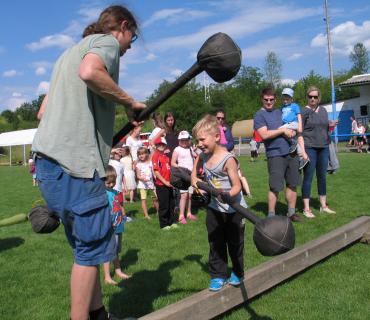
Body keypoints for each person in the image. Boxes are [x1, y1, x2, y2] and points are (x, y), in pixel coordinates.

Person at [32, 6, 146, 320]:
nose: (129, 46)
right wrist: (129, 101)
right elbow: (90, 72)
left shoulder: (67, 54)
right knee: (92, 246)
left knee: (89, 249)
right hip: (74, 167)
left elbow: (43, 113)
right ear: (122, 26)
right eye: (131, 37)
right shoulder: (105, 43)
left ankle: (98, 315)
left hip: (48, 165)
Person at [191, 116, 247, 292]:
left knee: (235, 243)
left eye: (202, 139)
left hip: (234, 209)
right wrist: (194, 178)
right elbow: (196, 166)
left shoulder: (228, 159)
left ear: (216, 137)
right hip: (215, 208)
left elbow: (237, 185)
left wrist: (227, 194)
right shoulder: (203, 155)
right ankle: (218, 275)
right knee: (215, 243)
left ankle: (238, 272)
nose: (199, 144)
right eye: (197, 140)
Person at [253, 87, 304, 222]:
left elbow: (291, 125)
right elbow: (264, 134)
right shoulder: (259, 115)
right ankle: (271, 216)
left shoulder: (281, 110)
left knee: (292, 183)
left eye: (271, 99)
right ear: (262, 99)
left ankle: (291, 213)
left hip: (291, 152)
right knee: (275, 186)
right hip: (275, 153)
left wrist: (292, 131)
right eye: (266, 100)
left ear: (275, 99)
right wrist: (283, 131)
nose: (269, 102)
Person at [301, 86, 337, 218]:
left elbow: (326, 127)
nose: (313, 99)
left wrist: (333, 124)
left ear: (319, 97)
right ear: (307, 97)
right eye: (310, 96)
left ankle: (323, 206)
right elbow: (300, 131)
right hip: (310, 147)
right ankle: (306, 208)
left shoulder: (323, 111)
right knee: (308, 178)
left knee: (322, 177)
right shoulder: (303, 111)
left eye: (315, 97)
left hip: (323, 147)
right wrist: (303, 151)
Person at [103, 165, 131, 285]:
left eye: (113, 182)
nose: (111, 184)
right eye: (108, 182)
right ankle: (107, 276)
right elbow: (103, 212)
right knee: (109, 252)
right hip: (109, 228)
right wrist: (108, 224)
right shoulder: (103, 194)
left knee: (116, 251)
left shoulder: (114, 192)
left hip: (118, 226)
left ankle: (118, 271)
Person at [171, 130, 198, 223]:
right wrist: (180, 167)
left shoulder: (190, 149)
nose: (184, 142)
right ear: (179, 140)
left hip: (191, 175)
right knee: (184, 196)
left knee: (190, 195)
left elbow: (196, 157)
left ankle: (189, 213)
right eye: (182, 140)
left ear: (188, 140)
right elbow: (173, 163)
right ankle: (181, 216)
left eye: (185, 140)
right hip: (182, 175)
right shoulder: (177, 149)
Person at [152, 137, 178, 230]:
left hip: (169, 184)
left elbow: (169, 170)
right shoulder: (156, 156)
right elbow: (156, 172)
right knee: (164, 205)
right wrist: (165, 182)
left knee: (171, 204)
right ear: (156, 146)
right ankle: (164, 224)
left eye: (163, 144)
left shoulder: (166, 157)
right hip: (161, 184)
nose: (161, 146)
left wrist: (172, 181)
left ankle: (171, 222)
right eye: (159, 144)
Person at [279, 88, 308, 170]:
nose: (285, 101)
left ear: (292, 99)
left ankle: (292, 141)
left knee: (278, 130)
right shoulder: (283, 107)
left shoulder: (294, 105)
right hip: (287, 124)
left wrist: (300, 126)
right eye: (283, 99)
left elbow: (299, 115)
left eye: (287, 99)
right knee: (296, 139)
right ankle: (301, 157)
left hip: (293, 123)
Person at [136, 147, 159, 219]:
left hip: (151, 184)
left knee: (155, 198)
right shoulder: (139, 165)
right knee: (144, 199)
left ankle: (158, 212)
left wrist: (156, 178)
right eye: (139, 154)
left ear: (146, 154)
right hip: (142, 185)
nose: (141, 156)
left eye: (143, 154)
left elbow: (154, 173)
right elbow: (138, 176)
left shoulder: (151, 163)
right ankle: (146, 215)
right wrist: (143, 179)